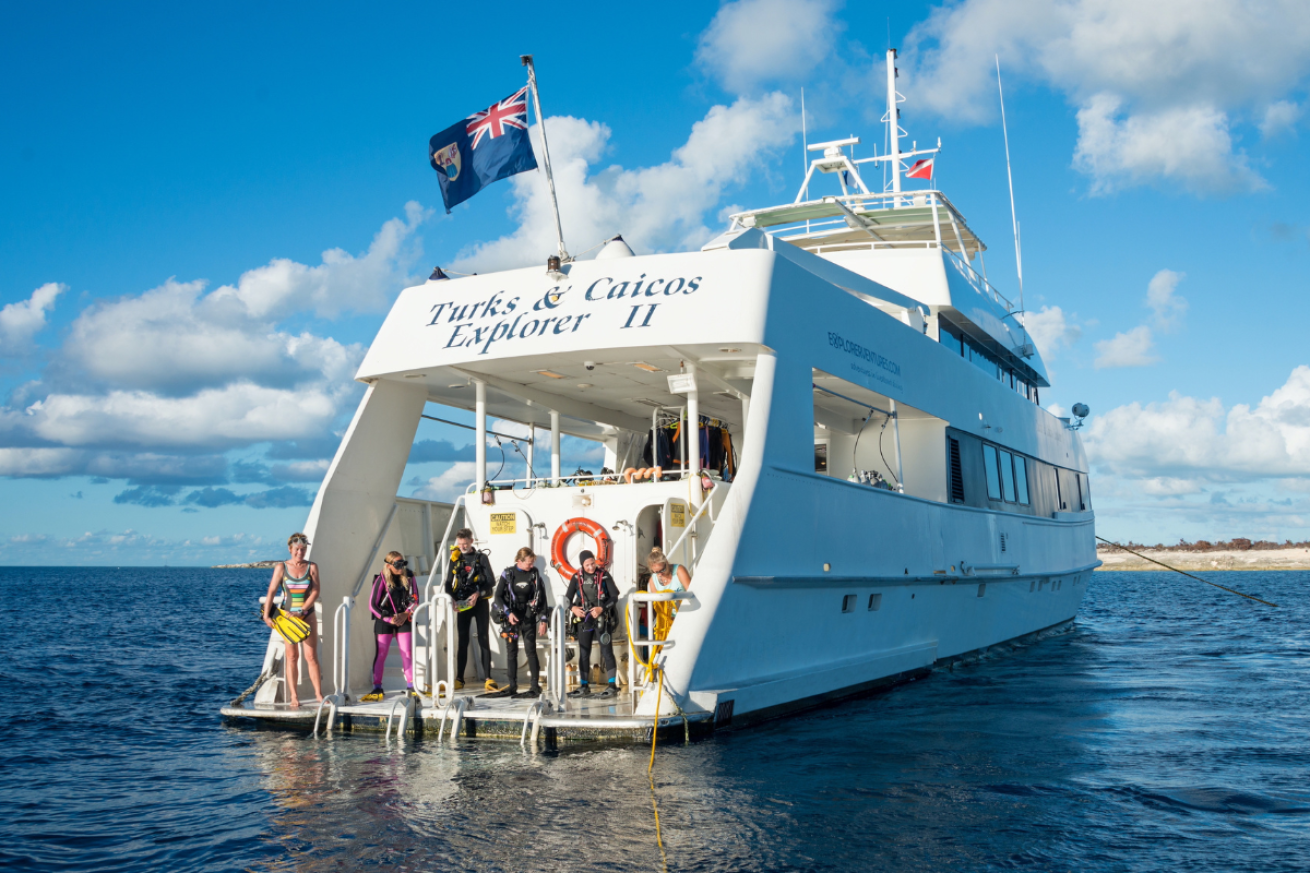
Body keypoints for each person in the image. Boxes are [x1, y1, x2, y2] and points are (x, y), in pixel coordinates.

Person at [262, 533, 324, 708]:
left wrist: (302, 610)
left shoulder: (312, 567)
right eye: (297, 549)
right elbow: (272, 591)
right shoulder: (281, 567)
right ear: (290, 549)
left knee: (311, 656)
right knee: (292, 656)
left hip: (307, 615)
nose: (300, 552)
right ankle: (294, 697)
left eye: (303, 549)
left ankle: (318, 694)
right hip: (288, 618)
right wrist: (267, 615)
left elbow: (315, 591)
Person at [489, 546, 549, 698]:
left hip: (528, 618)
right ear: (519, 561)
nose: (531, 565)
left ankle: (535, 686)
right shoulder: (508, 574)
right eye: (529, 563)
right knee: (512, 652)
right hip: (512, 619)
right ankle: (513, 685)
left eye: (533, 562)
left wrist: (543, 620)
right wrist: (508, 613)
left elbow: (542, 599)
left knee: (531, 650)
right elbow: (498, 597)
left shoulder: (535, 575)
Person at [444, 528, 498, 693]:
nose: (463, 546)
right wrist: (451, 598)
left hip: (479, 602)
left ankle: (488, 678)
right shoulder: (456, 558)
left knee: (483, 638)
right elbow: (448, 582)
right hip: (462, 603)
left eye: (465, 543)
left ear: (471, 541)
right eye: (460, 544)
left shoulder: (481, 557)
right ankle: (459, 678)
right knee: (462, 640)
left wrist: (477, 593)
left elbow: (491, 581)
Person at [362, 551, 420, 701]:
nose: (401, 567)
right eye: (398, 564)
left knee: (407, 652)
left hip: (403, 618)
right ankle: (377, 686)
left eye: (403, 563)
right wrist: (388, 619)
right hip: (385, 619)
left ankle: (411, 685)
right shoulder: (381, 579)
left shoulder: (409, 576)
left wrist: (406, 614)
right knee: (382, 654)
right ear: (389, 565)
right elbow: (372, 605)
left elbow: (415, 599)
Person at [564, 549, 620, 698]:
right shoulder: (576, 578)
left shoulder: (604, 575)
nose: (591, 567)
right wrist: (574, 608)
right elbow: (567, 599)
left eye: (592, 563)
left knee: (607, 651)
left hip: (602, 619)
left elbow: (615, 596)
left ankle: (612, 685)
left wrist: (602, 608)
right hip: (585, 620)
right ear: (582, 565)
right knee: (583, 652)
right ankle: (584, 686)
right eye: (587, 565)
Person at [646, 547, 691, 643]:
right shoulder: (653, 580)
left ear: (666, 563)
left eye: (662, 570)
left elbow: (691, 594)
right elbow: (658, 606)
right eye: (656, 572)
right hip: (667, 621)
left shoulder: (679, 571)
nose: (660, 574)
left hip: (684, 616)